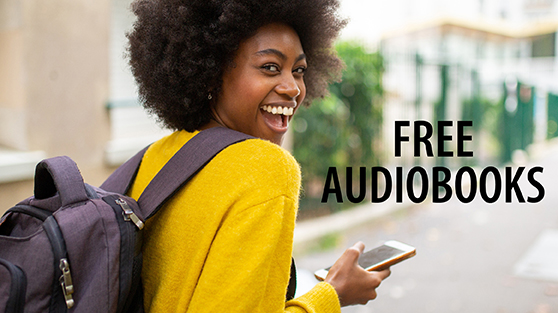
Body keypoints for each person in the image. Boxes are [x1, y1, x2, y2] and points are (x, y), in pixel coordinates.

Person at [126, 0, 391, 312]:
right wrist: (332, 294)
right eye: (270, 68)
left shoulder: (155, 157)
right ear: (212, 72)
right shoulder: (264, 169)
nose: (293, 88)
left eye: (299, 70)